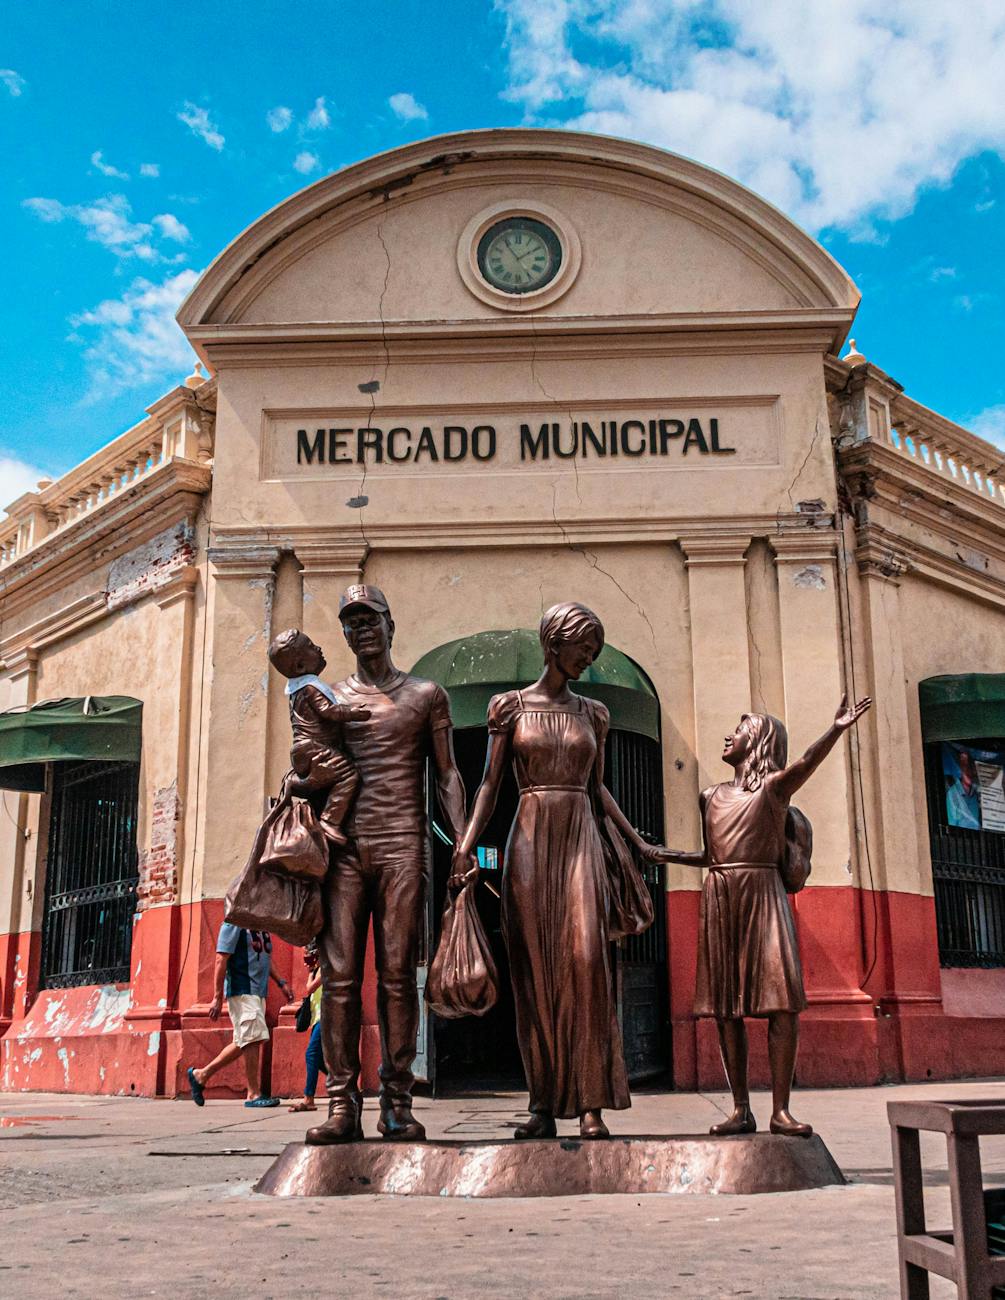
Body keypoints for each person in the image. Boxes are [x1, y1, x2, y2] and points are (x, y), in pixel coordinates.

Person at [452, 602, 661, 1141]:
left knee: (587, 963)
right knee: (535, 970)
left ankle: (591, 1100)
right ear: (553, 644)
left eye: (594, 651)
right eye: (582, 648)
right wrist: (465, 847)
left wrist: (638, 843)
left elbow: (599, 789)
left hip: (579, 838)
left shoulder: (594, 714)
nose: (589, 659)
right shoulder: (509, 707)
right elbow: (489, 786)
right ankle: (542, 1101)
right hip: (527, 837)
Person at [658, 696, 871, 1138]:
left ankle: (780, 1110)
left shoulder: (774, 789)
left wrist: (835, 729)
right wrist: (665, 854)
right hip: (721, 896)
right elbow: (715, 854)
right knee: (725, 1008)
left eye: (738, 730)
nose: (727, 736)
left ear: (756, 742)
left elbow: (805, 764)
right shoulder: (710, 797)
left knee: (782, 1004)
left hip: (764, 895)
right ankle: (741, 1109)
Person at [306, 584, 468, 1145]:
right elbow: (311, 769)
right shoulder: (329, 699)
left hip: (404, 845)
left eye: (370, 618)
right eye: (351, 622)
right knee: (341, 979)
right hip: (344, 851)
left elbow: (446, 774)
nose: (361, 629)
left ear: (390, 624)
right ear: (345, 633)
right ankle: (341, 1105)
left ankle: (397, 1101)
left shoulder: (426, 695)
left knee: (399, 979)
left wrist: (465, 841)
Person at [268, 628, 371, 846]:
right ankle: (330, 821)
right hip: (314, 747)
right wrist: (354, 713)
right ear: (300, 666)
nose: (319, 648)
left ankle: (298, 784)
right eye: (312, 647)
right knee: (348, 775)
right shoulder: (310, 688)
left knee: (324, 782)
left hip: (302, 751)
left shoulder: (296, 690)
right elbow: (329, 711)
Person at [186, 923, 294, 1107]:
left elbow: (266, 959)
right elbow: (221, 959)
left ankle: (201, 1075)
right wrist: (217, 997)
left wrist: (281, 982)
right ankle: (253, 1094)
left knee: (244, 1041)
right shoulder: (234, 924)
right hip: (242, 990)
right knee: (252, 1039)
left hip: (257, 992)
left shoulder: (261, 925)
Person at [289, 943, 325, 1113]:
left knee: (312, 1054)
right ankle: (348, 1087)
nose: (306, 962)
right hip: (318, 1018)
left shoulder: (325, 967)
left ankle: (308, 1098)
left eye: (308, 958)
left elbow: (309, 988)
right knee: (321, 1059)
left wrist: (311, 972)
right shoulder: (318, 969)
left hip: (325, 1018)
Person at [946, 747, 982, 830]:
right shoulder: (953, 793)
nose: (970, 772)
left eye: (972, 768)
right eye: (966, 766)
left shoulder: (975, 795)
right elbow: (952, 824)